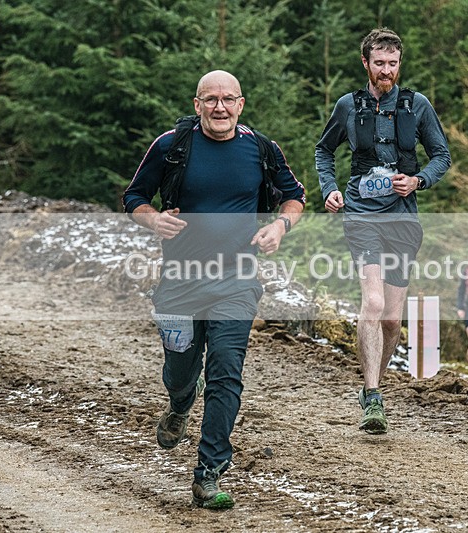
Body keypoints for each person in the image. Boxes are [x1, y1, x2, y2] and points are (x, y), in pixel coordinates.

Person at [122, 70, 305, 509]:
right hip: (179, 285)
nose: (219, 107)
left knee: (227, 371)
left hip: (236, 281)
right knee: (180, 373)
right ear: (197, 103)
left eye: (228, 99)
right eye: (210, 100)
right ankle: (181, 401)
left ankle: (209, 472)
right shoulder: (172, 146)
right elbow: (134, 197)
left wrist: (281, 226)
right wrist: (154, 219)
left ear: (241, 104)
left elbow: (294, 196)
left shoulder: (261, 149)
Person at [314, 28, 451, 434]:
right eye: (379, 64)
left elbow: (441, 155)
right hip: (361, 216)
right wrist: (330, 188)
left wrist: (419, 181)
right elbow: (324, 150)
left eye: (392, 64)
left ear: (399, 65)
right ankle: (372, 395)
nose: (386, 71)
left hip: (403, 219)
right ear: (366, 64)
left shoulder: (416, 106)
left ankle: (375, 383)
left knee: (392, 319)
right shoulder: (347, 106)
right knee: (372, 304)